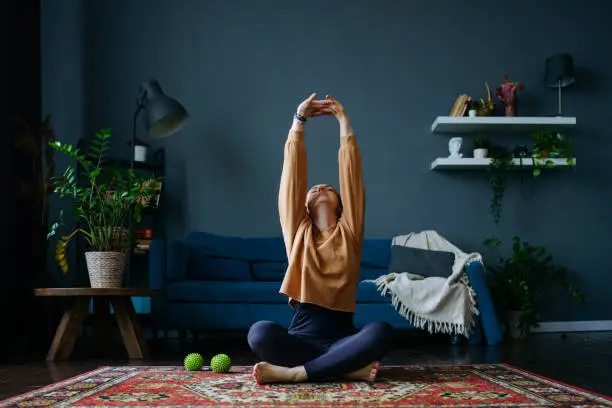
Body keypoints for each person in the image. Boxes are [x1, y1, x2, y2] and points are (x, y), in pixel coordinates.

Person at [247, 93, 393, 384]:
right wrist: (298, 121)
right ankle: (346, 370)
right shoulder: (297, 232)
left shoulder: (349, 231)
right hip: (300, 340)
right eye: (313, 189)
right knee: (259, 332)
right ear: (303, 205)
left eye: (328, 188)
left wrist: (343, 120)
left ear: (341, 206)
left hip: (343, 341)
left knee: (381, 331)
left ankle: (298, 373)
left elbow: (351, 174)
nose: (321, 187)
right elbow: (292, 177)